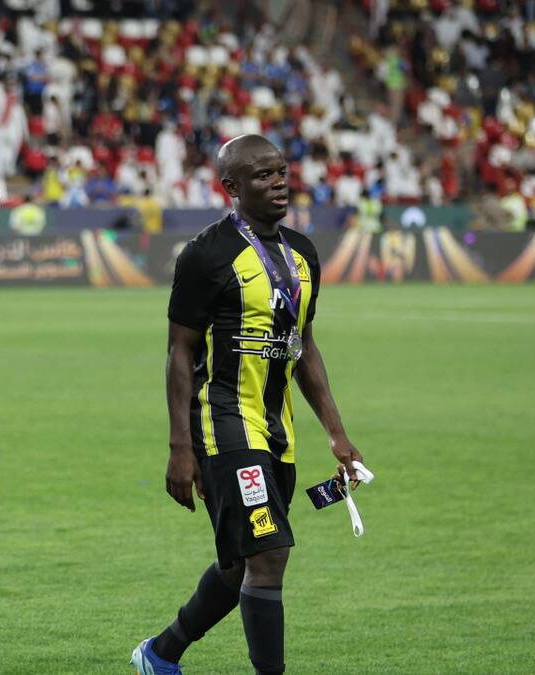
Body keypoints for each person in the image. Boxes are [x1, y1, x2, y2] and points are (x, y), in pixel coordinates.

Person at [131, 135, 365, 675]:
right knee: (268, 557)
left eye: (282, 171)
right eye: (262, 176)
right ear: (231, 187)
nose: (278, 183)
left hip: (275, 430)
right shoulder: (206, 255)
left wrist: (336, 433)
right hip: (221, 425)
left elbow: (301, 346)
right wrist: (179, 448)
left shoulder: (303, 254)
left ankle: (160, 654)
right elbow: (178, 352)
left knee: (241, 565)